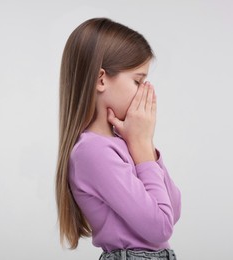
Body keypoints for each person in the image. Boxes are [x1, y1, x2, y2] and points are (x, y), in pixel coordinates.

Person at [55, 17, 181, 260]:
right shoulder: (92, 152)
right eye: (138, 81)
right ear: (101, 79)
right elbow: (161, 227)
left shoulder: (125, 143)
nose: (146, 90)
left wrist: (143, 144)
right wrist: (142, 144)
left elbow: (172, 211)